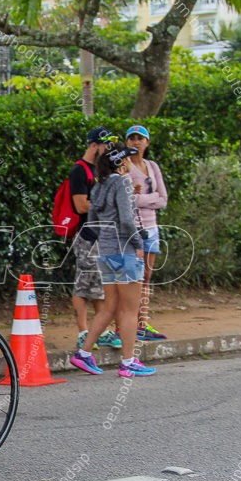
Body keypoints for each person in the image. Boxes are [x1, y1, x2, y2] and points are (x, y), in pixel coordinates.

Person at [70, 142, 156, 378]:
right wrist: (138, 244)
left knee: (109, 307)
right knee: (130, 310)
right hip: (125, 252)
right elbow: (127, 221)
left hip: (106, 253)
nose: (131, 161)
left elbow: (93, 218)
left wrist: (107, 241)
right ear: (121, 162)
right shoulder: (122, 183)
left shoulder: (99, 186)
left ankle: (84, 353)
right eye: (128, 158)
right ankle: (128, 362)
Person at [72, 127, 121, 351]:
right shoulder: (80, 171)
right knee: (83, 286)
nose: (108, 149)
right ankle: (83, 332)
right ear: (94, 145)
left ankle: (101, 331)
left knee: (101, 286)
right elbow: (80, 205)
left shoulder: (100, 169)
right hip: (87, 236)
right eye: (105, 145)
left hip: (103, 237)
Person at [125, 125, 169, 340]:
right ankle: (128, 323)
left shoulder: (152, 167)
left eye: (140, 138)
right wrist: (148, 200)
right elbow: (127, 200)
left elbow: (163, 199)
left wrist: (143, 200)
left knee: (147, 276)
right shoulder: (124, 167)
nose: (136, 142)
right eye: (132, 138)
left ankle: (143, 322)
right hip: (133, 229)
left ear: (147, 143)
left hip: (151, 227)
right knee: (133, 277)